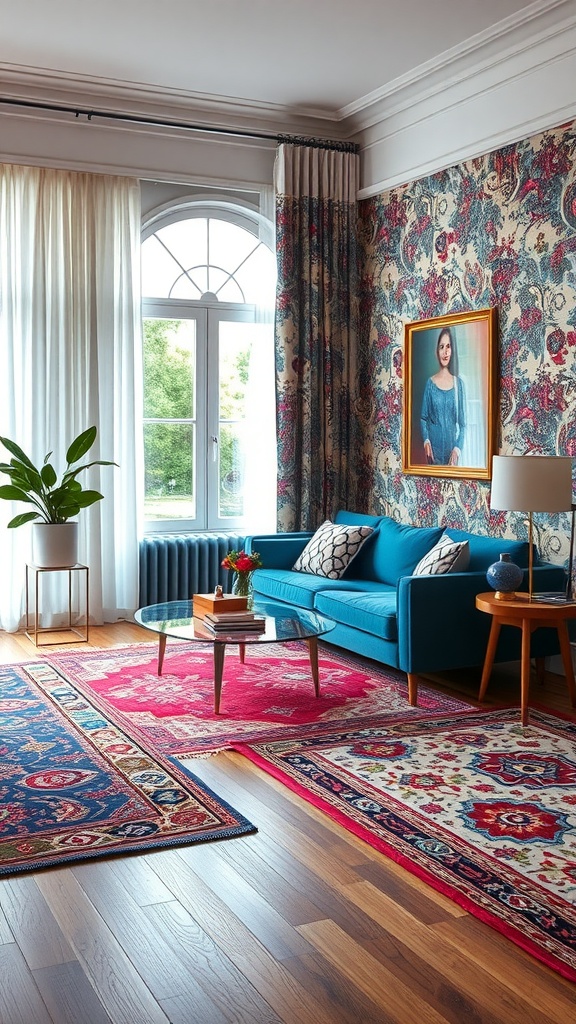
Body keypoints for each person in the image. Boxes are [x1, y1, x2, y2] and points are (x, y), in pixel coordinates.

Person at [420, 326, 466, 466]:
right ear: (437, 351)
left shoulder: (459, 384)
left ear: (452, 350)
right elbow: (423, 418)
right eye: (441, 347)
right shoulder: (430, 383)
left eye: (448, 346)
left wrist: (457, 449)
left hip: (452, 458)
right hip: (433, 456)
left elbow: (463, 425)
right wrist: (426, 442)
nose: (445, 352)